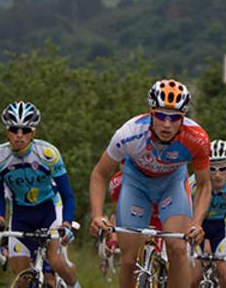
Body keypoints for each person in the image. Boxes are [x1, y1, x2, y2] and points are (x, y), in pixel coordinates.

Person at [89, 79, 212, 288]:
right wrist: (97, 215)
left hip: (172, 184)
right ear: (151, 112)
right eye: (161, 116)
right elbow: (100, 174)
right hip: (136, 185)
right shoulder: (129, 133)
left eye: (174, 118)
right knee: (129, 260)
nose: (166, 124)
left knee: (177, 248)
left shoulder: (197, 138)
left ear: (183, 118)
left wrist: (197, 223)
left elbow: (204, 185)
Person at [0, 101, 80, 288]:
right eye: (14, 129)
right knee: (21, 278)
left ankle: (75, 285)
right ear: (7, 131)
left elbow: (68, 194)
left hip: (50, 211)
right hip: (21, 215)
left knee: (55, 261)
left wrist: (67, 222)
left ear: (33, 132)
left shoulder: (47, 154)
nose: (19, 135)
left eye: (25, 130)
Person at [190, 139, 226, 288]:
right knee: (193, 278)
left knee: (225, 274)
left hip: (221, 227)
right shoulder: (193, 184)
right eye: (212, 168)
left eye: (222, 168)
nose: (217, 174)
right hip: (197, 225)